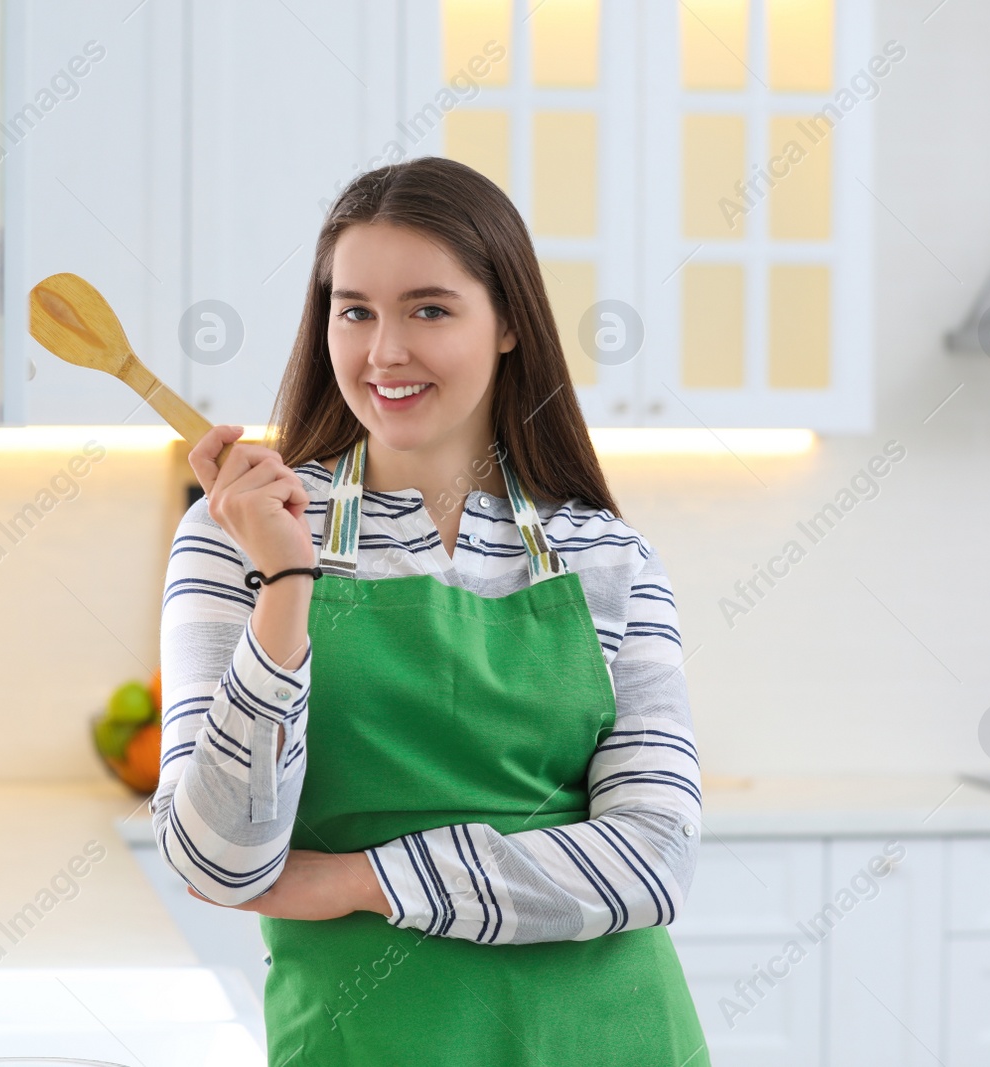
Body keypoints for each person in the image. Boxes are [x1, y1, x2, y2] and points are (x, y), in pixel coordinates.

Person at [153, 155, 709, 1066]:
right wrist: (288, 586)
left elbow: (653, 860)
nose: (384, 352)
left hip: (617, 1036)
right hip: (368, 1040)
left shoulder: (608, 555)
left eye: (430, 309)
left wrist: (353, 879)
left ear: (507, 326)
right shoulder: (236, 541)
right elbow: (218, 860)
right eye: (355, 310)